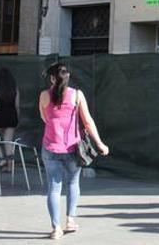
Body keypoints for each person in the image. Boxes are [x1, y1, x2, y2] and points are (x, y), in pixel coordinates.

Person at [38, 63, 109, 240]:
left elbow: (44, 118)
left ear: (52, 78)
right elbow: (88, 121)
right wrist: (100, 143)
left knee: (54, 189)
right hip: (72, 148)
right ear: (67, 78)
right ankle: (70, 220)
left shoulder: (44, 96)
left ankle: (56, 229)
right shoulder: (77, 95)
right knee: (72, 183)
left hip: (50, 146)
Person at [0, 67, 19, 173]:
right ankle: (10, 166)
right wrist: (17, 118)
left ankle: (1, 160)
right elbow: (17, 106)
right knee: (8, 142)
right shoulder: (15, 89)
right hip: (12, 117)